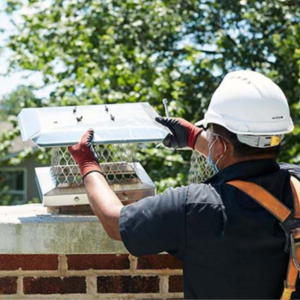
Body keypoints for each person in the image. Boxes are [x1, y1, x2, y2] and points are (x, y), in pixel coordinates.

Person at [68, 70, 300, 299]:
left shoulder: (195, 207)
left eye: (211, 135)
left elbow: (113, 220)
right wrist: (193, 137)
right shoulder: (295, 182)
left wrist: (88, 164)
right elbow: (246, 158)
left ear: (220, 145)